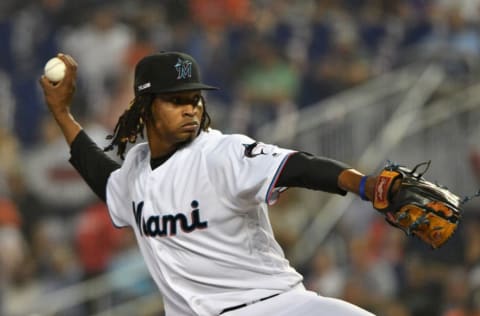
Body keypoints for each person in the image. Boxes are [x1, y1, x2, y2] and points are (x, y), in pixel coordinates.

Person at [39, 52, 380, 316]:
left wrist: (364, 185)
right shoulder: (135, 172)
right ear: (145, 107)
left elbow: (298, 167)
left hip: (272, 306)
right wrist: (63, 115)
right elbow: (103, 177)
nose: (191, 109)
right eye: (176, 100)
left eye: (195, 99)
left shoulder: (219, 152)